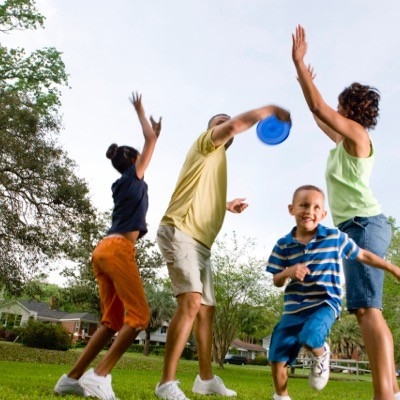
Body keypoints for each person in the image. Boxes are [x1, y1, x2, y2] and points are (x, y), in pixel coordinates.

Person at [292, 25, 400, 400]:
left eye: (340, 105)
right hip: (355, 229)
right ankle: (392, 390)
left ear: (349, 109)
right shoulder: (344, 140)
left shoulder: (357, 135)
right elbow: (318, 116)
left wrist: (300, 63)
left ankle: (384, 394)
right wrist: (302, 79)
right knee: (365, 309)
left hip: (364, 226)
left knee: (368, 309)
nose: (335, 110)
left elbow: (318, 108)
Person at [154, 105, 291, 400]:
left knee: (206, 310)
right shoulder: (206, 143)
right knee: (191, 301)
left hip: (201, 244)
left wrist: (225, 205)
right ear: (211, 130)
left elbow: (201, 193)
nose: (226, 124)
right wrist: (269, 110)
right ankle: (166, 383)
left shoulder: (217, 160)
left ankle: (205, 379)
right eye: (219, 122)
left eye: (227, 122)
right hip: (180, 231)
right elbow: (233, 126)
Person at [54, 92, 161, 400]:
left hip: (102, 250)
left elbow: (148, 144)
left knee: (111, 321)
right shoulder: (133, 177)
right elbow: (150, 140)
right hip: (117, 251)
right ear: (133, 161)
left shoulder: (120, 183)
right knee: (139, 317)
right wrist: (142, 112)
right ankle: (99, 376)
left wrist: (151, 133)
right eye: (140, 157)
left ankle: (70, 379)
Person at [266, 185, 400, 400]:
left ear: (323, 214)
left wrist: (392, 268)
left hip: (325, 303)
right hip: (293, 309)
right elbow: (276, 280)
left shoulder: (334, 237)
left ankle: (321, 354)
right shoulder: (283, 245)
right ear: (291, 209)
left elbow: (363, 255)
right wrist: (289, 272)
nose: (309, 211)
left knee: (310, 336)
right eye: (304, 205)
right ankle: (281, 396)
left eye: (316, 207)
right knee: (277, 354)